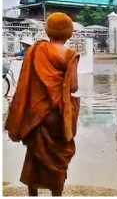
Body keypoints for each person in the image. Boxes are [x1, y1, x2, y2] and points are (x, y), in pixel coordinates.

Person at [5, 13, 81, 197]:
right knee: (58, 158)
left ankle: (33, 194)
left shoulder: (35, 50)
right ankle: (56, 194)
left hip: (35, 113)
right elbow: (73, 87)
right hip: (57, 115)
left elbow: (27, 81)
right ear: (69, 33)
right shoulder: (69, 55)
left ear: (48, 31)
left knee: (34, 156)